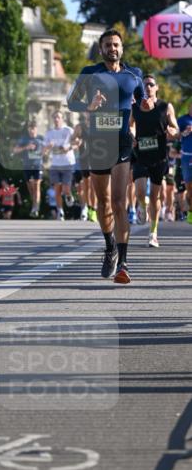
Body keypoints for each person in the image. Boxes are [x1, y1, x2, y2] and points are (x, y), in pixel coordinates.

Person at [67, 28, 144, 283]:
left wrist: (147, 106)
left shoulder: (134, 75)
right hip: (98, 142)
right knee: (103, 201)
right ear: (101, 49)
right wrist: (88, 106)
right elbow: (72, 102)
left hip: (122, 141)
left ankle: (123, 263)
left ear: (122, 48)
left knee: (120, 202)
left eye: (116, 45)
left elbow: (144, 103)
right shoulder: (90, 73)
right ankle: (109, 245)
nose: (113, 48)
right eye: (108, 45)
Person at [130, 75, 178, 247]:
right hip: (141, 154)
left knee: (156, 195)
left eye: (151, 84)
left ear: (157, 87)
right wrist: (132, 135)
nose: (148, 87)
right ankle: (142, 205)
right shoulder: (135, 107)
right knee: (141, 190)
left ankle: (153, 233)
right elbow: (130, 125)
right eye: (145, 85)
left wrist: (173, 130)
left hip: (159, 157)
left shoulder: (165, 106)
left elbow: (175, 126)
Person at [42, 110, 75, 220]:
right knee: (57, 189)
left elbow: (77, 143)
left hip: (67, 163)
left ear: (62, 119)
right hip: (55, 164)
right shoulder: (49, 133)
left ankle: (69, 195)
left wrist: (68, 148)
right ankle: (60, 211)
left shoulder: (69, 130)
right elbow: (43, 151)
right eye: (55, 117)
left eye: (58, 117)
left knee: (65, 189)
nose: (56, 119)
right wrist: (48, 147)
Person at [12, 122, 44, 216]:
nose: (31, 131)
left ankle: (36, 208)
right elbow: (15, 150)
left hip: (38, 165)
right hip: (27, 165)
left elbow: (48, 148)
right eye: (30, 129)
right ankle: (34, 204)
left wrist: (45, 151)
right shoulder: (24, 139)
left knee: (37, 185)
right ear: (28, 129)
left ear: (36, 129)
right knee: (31, 188)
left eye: (33, 128)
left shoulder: (41, 138)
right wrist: (26, 147)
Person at [177, 98, 192, 225]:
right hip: (186, 157)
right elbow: (175, 135)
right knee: (189, 188)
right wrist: (185, 132)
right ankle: (190, 211)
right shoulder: (182, 120)